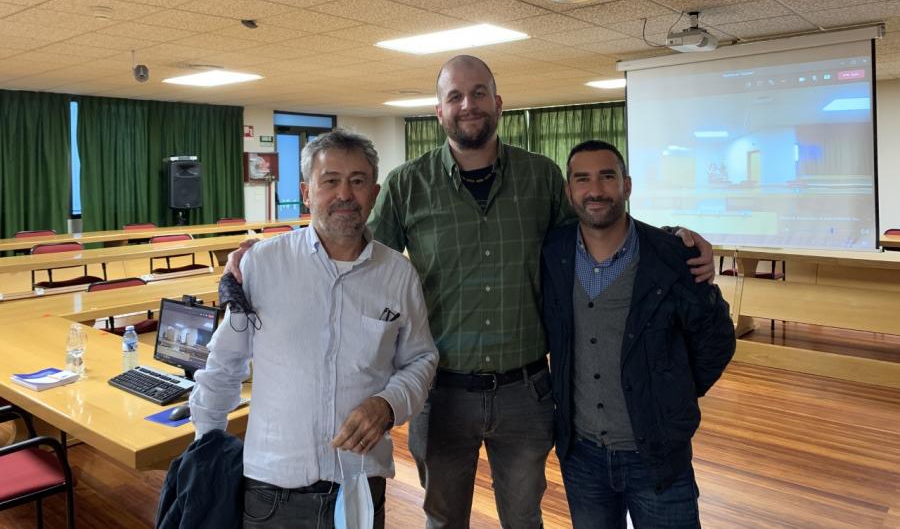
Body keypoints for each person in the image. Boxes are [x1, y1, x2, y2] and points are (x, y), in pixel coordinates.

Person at [226, 55, 716, 528]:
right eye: (455, 96)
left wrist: (671, 239)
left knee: (523, 519)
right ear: (438, 111)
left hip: (525, 392)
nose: (468, 104)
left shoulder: (540, 176)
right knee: (443, 519)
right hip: (442, 394)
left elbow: (597, 229)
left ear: (498, 103)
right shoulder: (407, 185)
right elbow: (350, 250)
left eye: (478, 93)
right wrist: (269, 255)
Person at [190, 129, 438, 529]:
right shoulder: (260, 265)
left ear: (374, 194)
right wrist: (207, 448)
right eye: (330, 181)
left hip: (359, 485)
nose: (345, 194)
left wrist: (388, 404)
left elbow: (421, 359)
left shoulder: (398, 275)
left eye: (357, 181)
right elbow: (224, 363)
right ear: (307, 192)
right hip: (272, 489)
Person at [540, 140, 736, 529]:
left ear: (626, 186)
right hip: (582, 458)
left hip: (658, 454)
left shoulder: (671, 255)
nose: (595, 190)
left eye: (607, 177)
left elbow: (716, 340)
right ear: (569, 191)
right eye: (583, 179)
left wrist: (671, 392)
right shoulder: (552, 252)